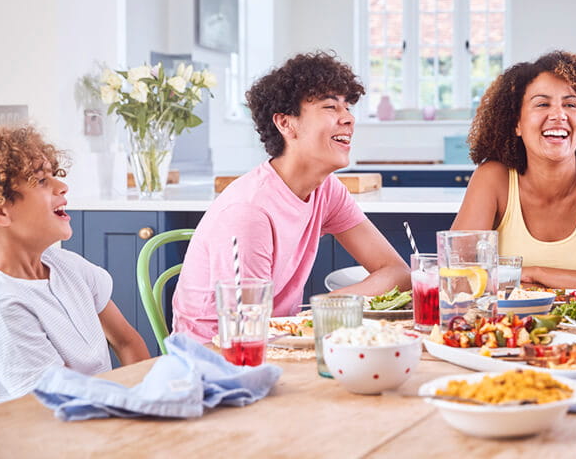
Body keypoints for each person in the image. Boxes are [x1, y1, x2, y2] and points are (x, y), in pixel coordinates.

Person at [172, 51, 410, 343]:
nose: (348, 118)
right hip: (217, 360)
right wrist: (319, 317)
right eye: (330, 107)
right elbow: (244, 335)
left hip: (277, 341)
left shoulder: (327, 189)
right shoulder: (248, 212)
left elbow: (397, 272)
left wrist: (328, 306)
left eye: (347, 107)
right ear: (286, 124)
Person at [453, 50, 576, 290]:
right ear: (516, 123)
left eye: (570, 104)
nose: (559, 115)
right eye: (542, 104)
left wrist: (537, 274)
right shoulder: (493, 178)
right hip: (507, 326)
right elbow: (457, 277)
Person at [0, 125, 149, 405]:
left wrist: (149, 397)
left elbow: (127, 341)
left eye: (53, 175)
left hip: (100, 416)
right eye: (41, 180)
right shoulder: (3, 308)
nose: (62, 185)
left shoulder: (68, 266)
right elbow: (59, 404)